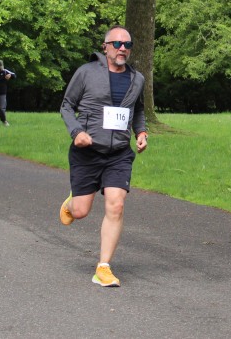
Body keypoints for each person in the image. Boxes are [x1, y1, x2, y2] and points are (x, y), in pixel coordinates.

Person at [58, 25, 148, 287]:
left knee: (116, 204)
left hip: (119, 153)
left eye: (127, 45)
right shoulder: (86, 72)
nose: (122, 49)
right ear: (105, 46)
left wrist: (141, 132)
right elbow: (66, 106)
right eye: (117, 44)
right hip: (87, 152)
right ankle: (71, 203)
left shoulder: (137, 79)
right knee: (80, 211)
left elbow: (138, 110)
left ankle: (103, 267)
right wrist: (76, 132)